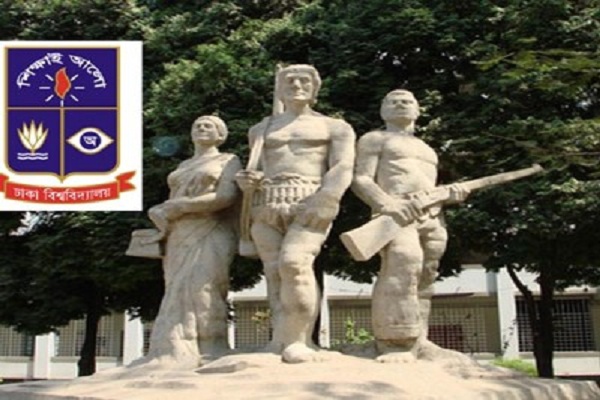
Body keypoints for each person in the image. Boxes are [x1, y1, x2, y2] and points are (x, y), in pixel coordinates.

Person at [236, 64, 355, 363]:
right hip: (265, 203)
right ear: (279, 88)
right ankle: (280, 340)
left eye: (304, 81)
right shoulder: (260, 129)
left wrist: (329, 197)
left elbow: (343, 166)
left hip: (310, 200)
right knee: (274, 272)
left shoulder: (334, 126)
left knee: (294, 264)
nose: (297, 85)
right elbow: (257, 167)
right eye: (289, 80)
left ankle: (300, 341)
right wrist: (246, 180)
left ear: (315, 89)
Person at [352, 89, 469, 363]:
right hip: (396, 212)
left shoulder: (427, 149)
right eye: (393, 101)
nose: (401, 104)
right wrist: (387, 204)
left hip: (432, 215)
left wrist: (453, 195)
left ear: (417, 110)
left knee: (426, 275)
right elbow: (361, 179)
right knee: (402, 263)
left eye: (407, 101)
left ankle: (419, 340)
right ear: (383, 110)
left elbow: (429, 186)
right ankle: (393, 341)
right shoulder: (374, 139)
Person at [144, 115, 241, 368]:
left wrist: (182, 205)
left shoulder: (228, 160)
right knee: (175, 286)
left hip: (211, 227)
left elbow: (226, 197)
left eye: (209, 126)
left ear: (220, 135)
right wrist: (162, 211)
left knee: (205, 285)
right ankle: (172, 347)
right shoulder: (185, 164)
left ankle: (210, 345)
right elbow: (172, 200)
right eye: (197, 125)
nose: (201, 128)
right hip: (179, 232)